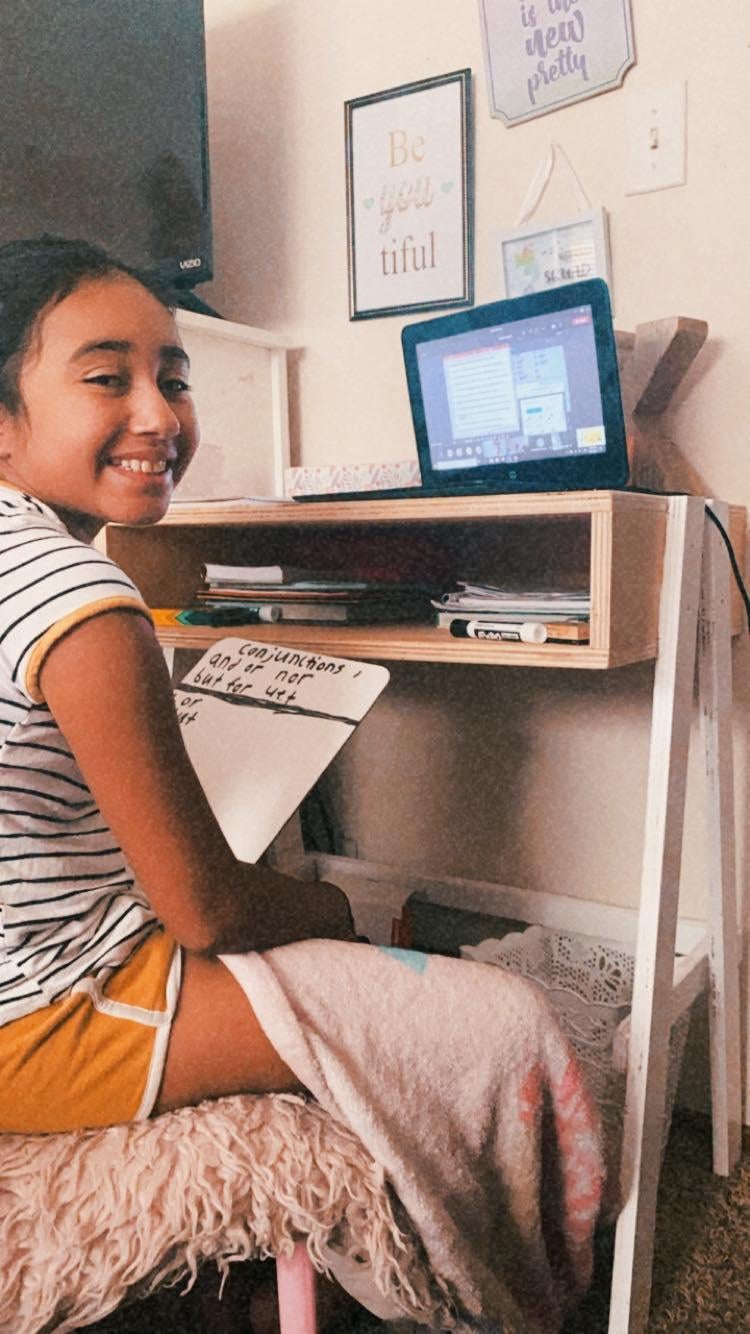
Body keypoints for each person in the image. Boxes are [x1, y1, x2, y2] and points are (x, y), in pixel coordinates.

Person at [0, 235, 358, 1137]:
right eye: (106, 380)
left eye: (174, 377)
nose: (161, 416)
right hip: (33, 1022)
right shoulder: (74, 594)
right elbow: (205, 910)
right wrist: (338, 912)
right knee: (476, 1018)